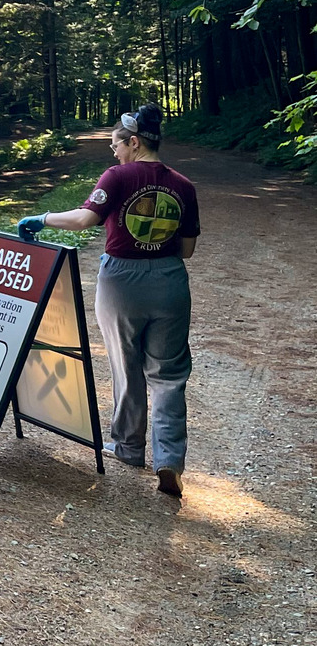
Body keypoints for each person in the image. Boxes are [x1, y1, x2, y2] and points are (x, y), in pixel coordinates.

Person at [18, 102, 198, 498]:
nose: (114, 152)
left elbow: (85, 219)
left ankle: (130, 448)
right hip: (169, 280)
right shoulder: (183, 186)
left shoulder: (118, 176)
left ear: (133, 142)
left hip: (122, 280)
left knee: (125, 364)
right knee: (168, 376)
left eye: (116, 144)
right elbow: (187, 249)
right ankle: (169, 459)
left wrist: (42, 218)